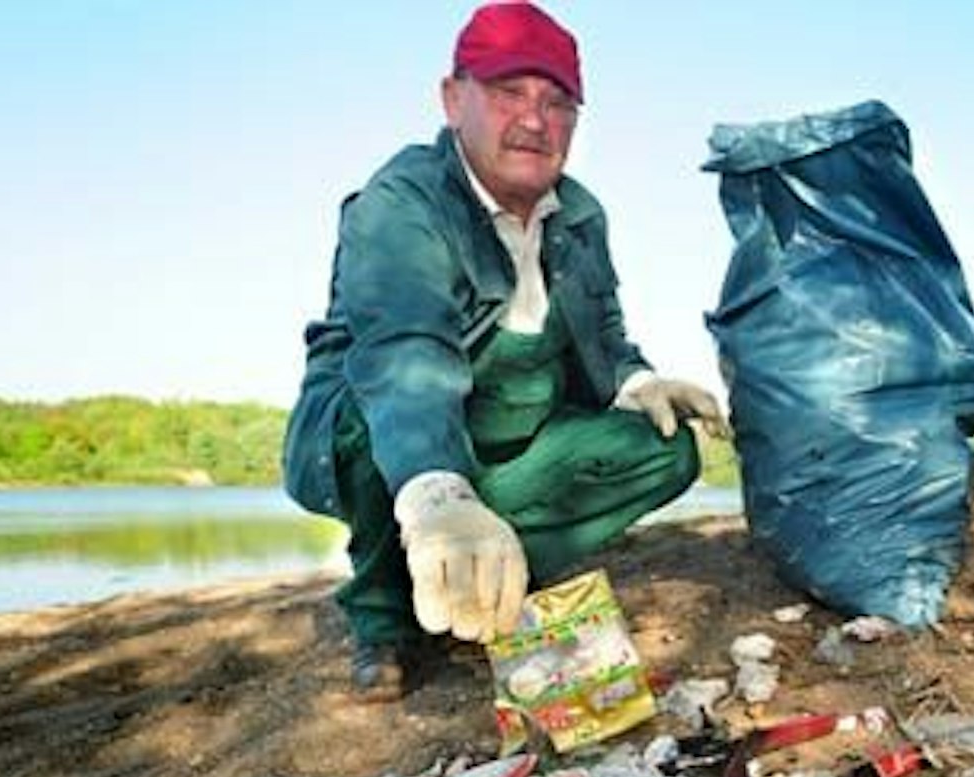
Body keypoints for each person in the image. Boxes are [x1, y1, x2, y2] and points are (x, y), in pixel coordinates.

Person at [282, 2, 726, 700]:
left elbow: (604, 333)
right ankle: (384, 616)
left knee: (664, 449)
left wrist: (639, 382)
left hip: (511, 439)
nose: (534, 120)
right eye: (508, 92)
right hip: (394, 429)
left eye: (557, 103)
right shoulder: (401, 204)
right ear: (452, 98)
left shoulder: (581, 215)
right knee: (371, 418)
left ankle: (482, 576)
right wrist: (440, 497)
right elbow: (406, 357)